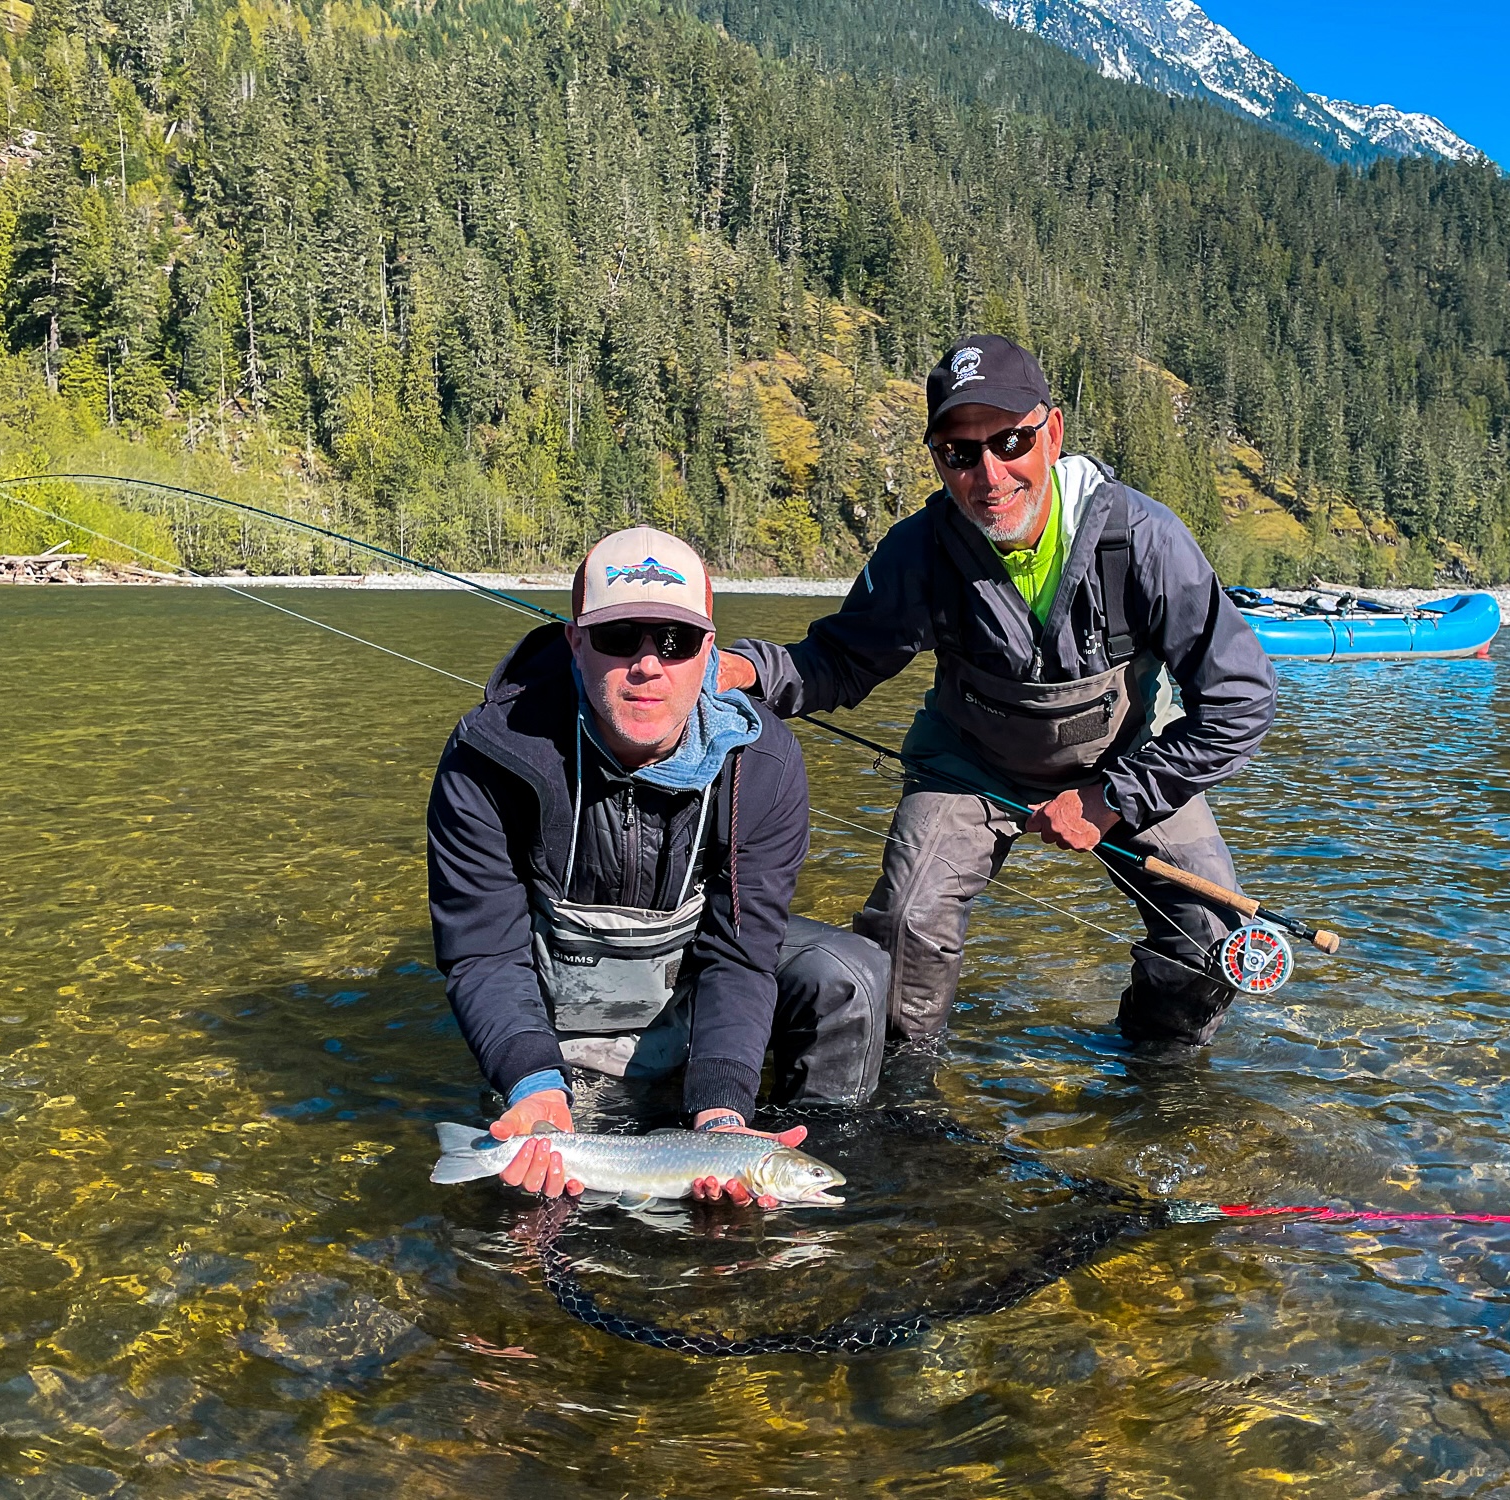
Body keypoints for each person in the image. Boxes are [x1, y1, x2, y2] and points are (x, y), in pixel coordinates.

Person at [720, 334, 1277, 1051]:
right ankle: (902, 1091)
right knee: (907, 925)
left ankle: (1154, 1073)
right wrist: (745, 671)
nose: (989, 474)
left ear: (1052, 434)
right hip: (970, 767)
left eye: (1010, 441)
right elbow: (837, 661)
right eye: (960, 452)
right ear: (938, 459)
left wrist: (1113, 799)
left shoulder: (1141, 538)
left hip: (1126, 765)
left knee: (1213, 939)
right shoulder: (920, 550)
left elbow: (1241, 700)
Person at [428, 527, 888, 1201]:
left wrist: (723, 1113)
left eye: (673, 641)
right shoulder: (490, 758)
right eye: (621, 637)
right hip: (552, 1001)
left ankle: (817, 1153)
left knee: (853, 975)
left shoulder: (763, 766)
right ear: (575, 642)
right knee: (535, 1225)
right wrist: (532, 1082)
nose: (649, 664)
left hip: (693, 973)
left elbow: (740, 953)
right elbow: (484, 953)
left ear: (709, 652)